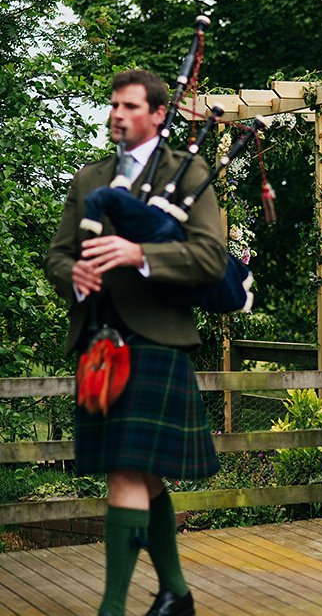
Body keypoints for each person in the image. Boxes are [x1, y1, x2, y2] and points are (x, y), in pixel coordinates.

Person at [44, 69, 225, 616]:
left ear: (157, 114)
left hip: (155, 340)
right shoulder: (89, 177)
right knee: (141, 472)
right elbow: (57, 254)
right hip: (99, 342)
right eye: (113, 105)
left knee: (125, 469)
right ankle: (176, 594)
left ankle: (111, 609)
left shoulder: (187, 174)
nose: (117, 114)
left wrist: (139, 255)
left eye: (129, 106)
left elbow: (210, 258)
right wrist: (74, 274)